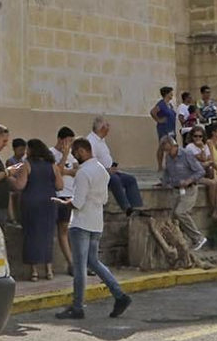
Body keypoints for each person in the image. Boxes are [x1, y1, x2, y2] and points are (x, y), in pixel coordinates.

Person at [54, 138, 132, 320]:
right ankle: (119, 295)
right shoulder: (101, 171)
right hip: (96, 221)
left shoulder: (83, 173)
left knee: (80, 267)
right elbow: (104, 199)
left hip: (81, 223)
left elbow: (78, 203)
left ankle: (77, 307)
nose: (74, 156)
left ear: (82, 151)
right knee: (93, 262)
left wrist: (63, 202)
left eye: (75, 152)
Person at [158, 132, 210, 251]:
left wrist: (189, 180)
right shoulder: (168, 158)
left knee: (181, 212)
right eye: (166, 151)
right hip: (176, 189)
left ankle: (198, 238)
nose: (168, 153)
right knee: (173, 218)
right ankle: (180, 243)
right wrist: (163, 182)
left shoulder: (187, 155)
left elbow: (200, 171)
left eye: (169, 150)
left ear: (174, 146)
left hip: (189, 188)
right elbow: (167, 172)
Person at [19, 136, 62, 280]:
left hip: (31, 202)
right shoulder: (52, 165)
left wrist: (9, 178)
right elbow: (60, 186)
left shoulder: (27, 164)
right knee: (48, 235)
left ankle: (35, 271)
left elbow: (20, 185)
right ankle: (49, 270)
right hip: (49, 203)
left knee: (32, 235)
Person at [86, 117, 143, 214]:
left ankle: (137, 207)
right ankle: (126, 208)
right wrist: (107, 170)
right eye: (107, 126)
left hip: (110, 171)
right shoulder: (91, 141)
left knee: (130, 179)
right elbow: (92, 162)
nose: (109, 129)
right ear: (102, 128)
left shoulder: (101, 140)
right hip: (101, 174)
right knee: (115, 180)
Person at [52, 126, 79, 275]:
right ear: (61, 140)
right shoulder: (52, 153)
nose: (70, 145)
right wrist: (64, 156)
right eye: (68, 141)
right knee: (62, 230)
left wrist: (65, 171)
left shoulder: (72, 156)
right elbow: (57, 171)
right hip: (60, 194)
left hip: (72, 194)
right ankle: (71, 263)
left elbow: (77, 171)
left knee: (73, 230)